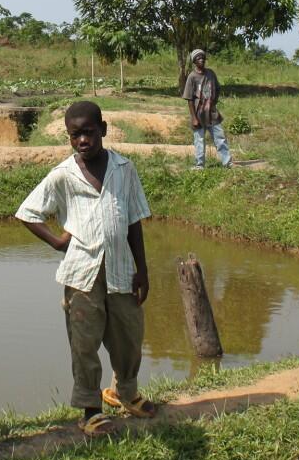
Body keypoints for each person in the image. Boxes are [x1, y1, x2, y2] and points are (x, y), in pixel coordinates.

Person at [15, 101, 156, 434]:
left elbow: (134, 219)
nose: (83, 140)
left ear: (103, 130)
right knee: (84, 341)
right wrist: (57, 242)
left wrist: (143, 269)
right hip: (81, 275)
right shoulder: (63, 175)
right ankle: (90, 409)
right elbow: (27, 212)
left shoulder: (125, 169)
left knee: (129, 335)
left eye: (89, 132)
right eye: (75, 135)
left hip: (121, 269)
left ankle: (126, 392)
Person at [181, 49, 231, 169]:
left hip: (212, 113)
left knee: (220, 138)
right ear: (194, 61)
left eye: (203, 57)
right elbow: (189, 99)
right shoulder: (192, 77)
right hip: (198, 114)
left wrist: (213, 102)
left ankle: (228, 163)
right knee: (199, 140)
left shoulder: (211, 73)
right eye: (198, 58)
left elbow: (217, 88)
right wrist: (194, 118)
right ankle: (200, 165)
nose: (201, 60)